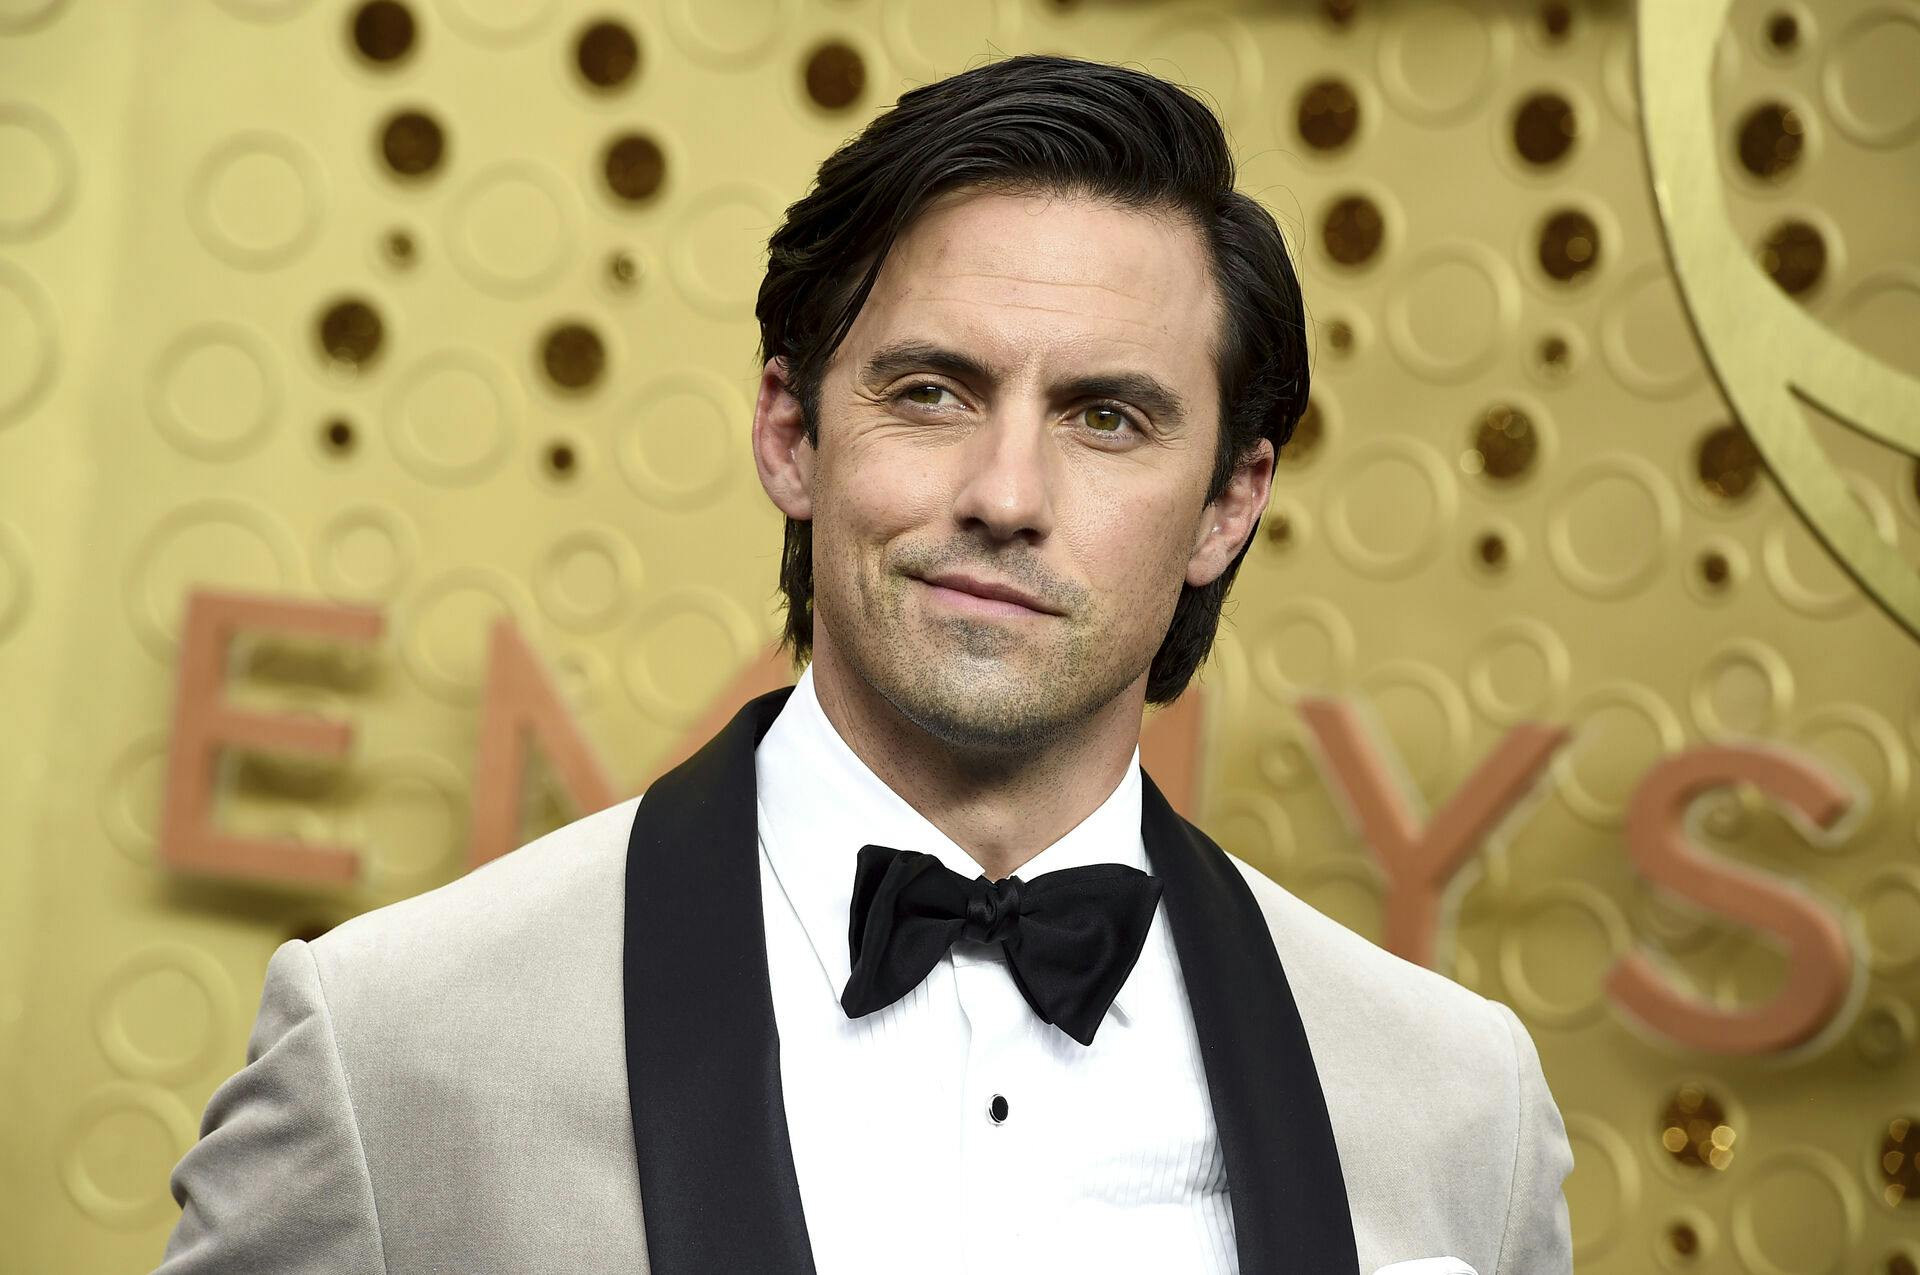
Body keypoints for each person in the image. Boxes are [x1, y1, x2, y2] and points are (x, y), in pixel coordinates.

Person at [154, 54, 1573, 1275]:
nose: (1006, 492)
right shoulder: (397, 1046)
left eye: (1108, 419)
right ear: (790, 431)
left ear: (1228, 504)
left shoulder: (1456, 1104)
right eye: (932, 391)